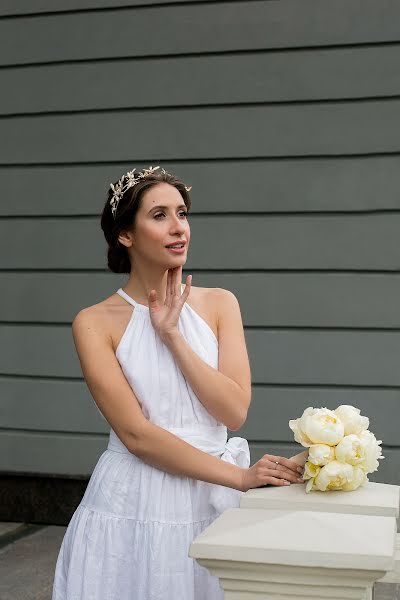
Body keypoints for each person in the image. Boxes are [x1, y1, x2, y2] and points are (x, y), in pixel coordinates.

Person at [51, 165, 307, 600]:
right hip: (135, 499)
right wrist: (239, 477)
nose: (178, 228)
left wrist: (172, 336)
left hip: (213, 496)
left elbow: (233, 412)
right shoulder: (93, 323)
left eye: (182, 213)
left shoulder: (220, 304)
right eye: (159, 215)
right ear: (125, 235)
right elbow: (137, 435)